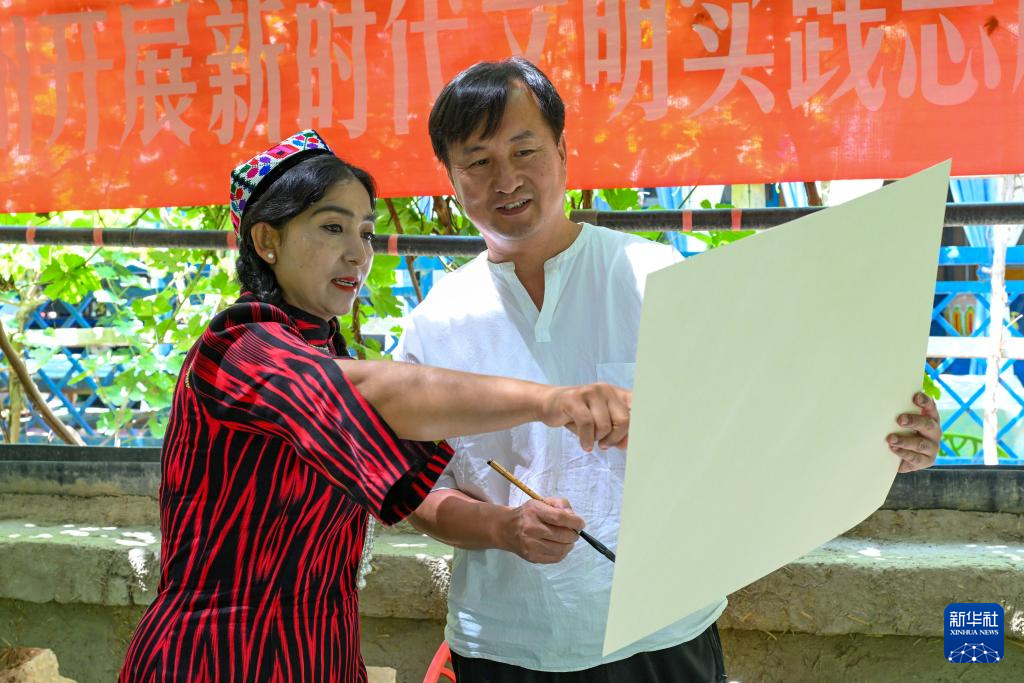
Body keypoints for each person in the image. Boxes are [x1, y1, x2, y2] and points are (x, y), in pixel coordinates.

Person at [396, 58, 943, 682]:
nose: (507, 179)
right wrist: (503, 527)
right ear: (450, 178)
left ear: (563, 152)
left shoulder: (654, 277)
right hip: (505, 642)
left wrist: (881, 439)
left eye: (525, 151)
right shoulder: (435, 324)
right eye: (478, 162)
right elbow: (418, 492)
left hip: (665, 635)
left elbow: (765, 414)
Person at [118, 130, 633, 683]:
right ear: (267, 240)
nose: (357, 252)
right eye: (332, 227)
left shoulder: (319, 349)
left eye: (365, 232)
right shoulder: (240, 347)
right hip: (217, 656)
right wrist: (550, 400)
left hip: (322, 653)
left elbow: (402, 451)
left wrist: (509, 521)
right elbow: (378, 391)